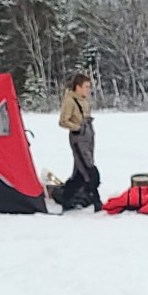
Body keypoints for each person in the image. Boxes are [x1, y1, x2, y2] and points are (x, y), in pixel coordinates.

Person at [55, 72, 101, 211]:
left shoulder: (83, 100)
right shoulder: (70, 101)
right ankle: (96, 201)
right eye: (86, 86)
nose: (88, 90)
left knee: (79, 175)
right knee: (90, 170)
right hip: (78, 139)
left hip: (88, 138)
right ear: (78, 87)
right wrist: (78, 128)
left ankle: (67, 199)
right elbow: (63, 121)